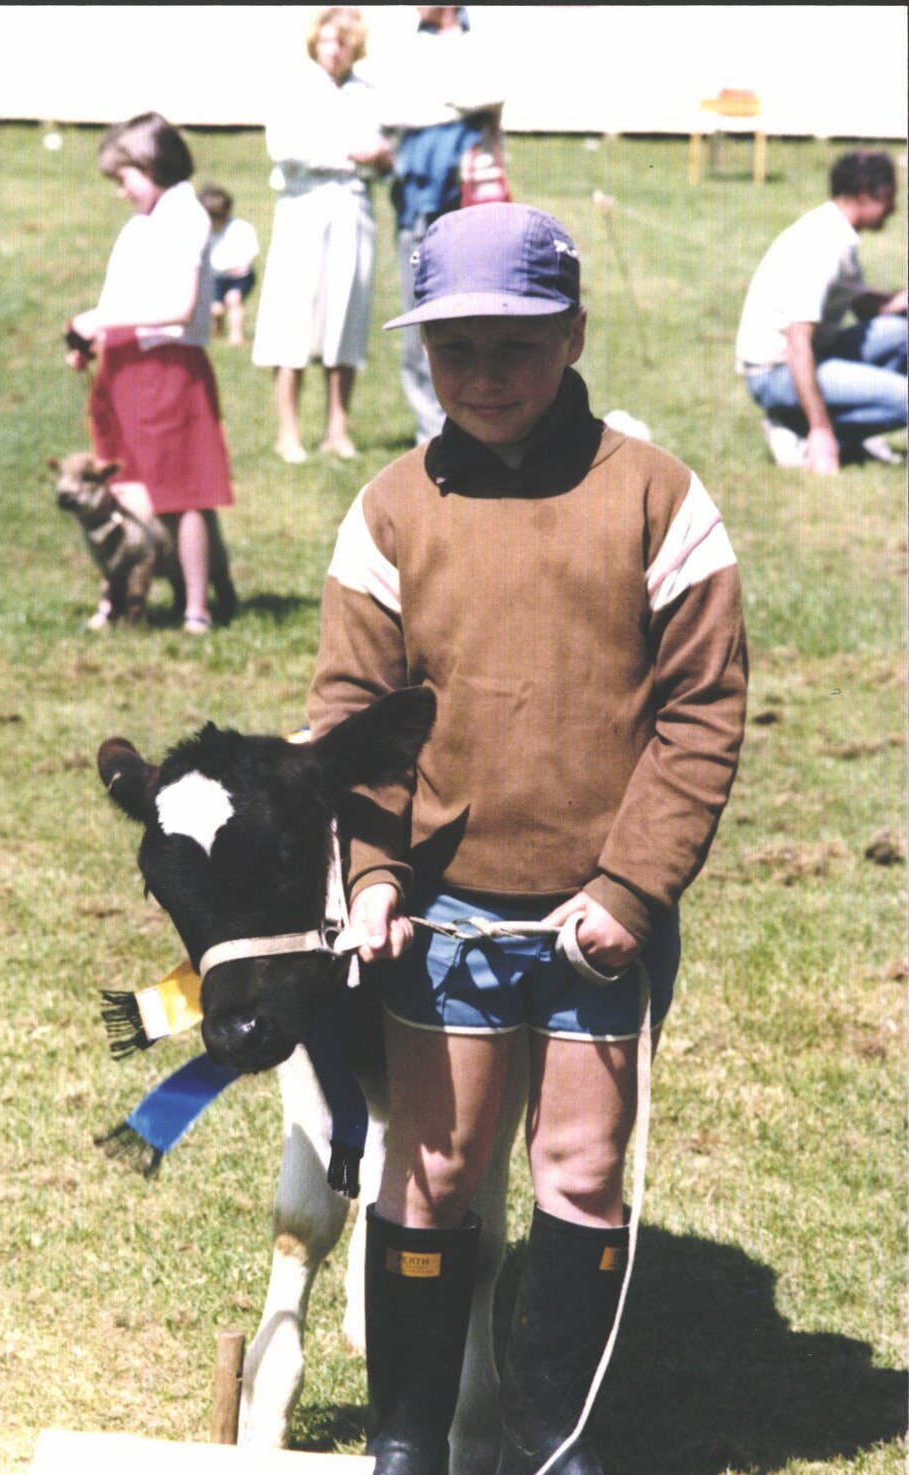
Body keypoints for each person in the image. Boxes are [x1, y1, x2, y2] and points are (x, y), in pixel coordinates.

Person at [308, 203, 748, 1474]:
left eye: (518, 343)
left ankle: (552, 1439)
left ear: (575, 335)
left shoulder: (658, 497)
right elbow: (352, 717)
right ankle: (410, 1440)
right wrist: (376, 871)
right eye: (455, 349)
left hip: (593, 927)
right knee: (435, 1166)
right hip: (441, 917)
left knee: (578, 1164)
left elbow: (701, 709)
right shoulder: (391, 511)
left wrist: (632, 884)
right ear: (423, 355)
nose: (486, 375)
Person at [66, 112, 236, 634]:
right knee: (125, 482)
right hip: (127, 367)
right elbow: (124, 296)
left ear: (150, 163)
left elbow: (180, 307)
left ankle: (196, 609)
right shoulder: (145, 222)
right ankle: (117, 597)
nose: (121, 191)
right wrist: (91, 337)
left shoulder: (185, 216)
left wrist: (99, 320)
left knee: (184, 491)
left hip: (166, 368)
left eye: (124, 178)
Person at [251, 7, 392, 464]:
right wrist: (352, 155)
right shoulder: (294, 88)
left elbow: (385, 157)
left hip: (353, 210)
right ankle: (287, 432)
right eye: (328, 41)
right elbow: (286, 147)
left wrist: (380, 158)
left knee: (346, 316)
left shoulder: (369, 95)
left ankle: (337, 429)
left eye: (343, 43)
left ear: (356, 47)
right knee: (293, 317)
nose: (334, 50)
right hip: (303, 207)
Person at [376, 6, 506, 445]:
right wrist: (452, 103)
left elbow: (491, 93)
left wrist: (434, 98)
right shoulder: (406, 46)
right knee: (419, 317)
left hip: (470, 197)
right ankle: (430, 434)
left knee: (477, 311)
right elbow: (391, 108)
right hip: (416, 197)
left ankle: (478, 425)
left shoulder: (482, 40)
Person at [735, 149, 907, 473]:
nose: (894, 209)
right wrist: (821, 429)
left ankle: (837, 432)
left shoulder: (837, 230)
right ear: (865, 193)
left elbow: (864, 305)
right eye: (889, 198)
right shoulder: (823, 245)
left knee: (902, 334)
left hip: (808, 355)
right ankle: (802, 435)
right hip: (775, 372)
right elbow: (797, 341)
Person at [199, 185, 260, 347]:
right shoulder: (203, 231)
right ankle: (215, 332)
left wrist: (244, 265)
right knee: (216, 308)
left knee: (234, 300)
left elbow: (251, 250)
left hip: (239, 276)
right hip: (216, 276)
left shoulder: (239, 228)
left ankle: (236, 336)